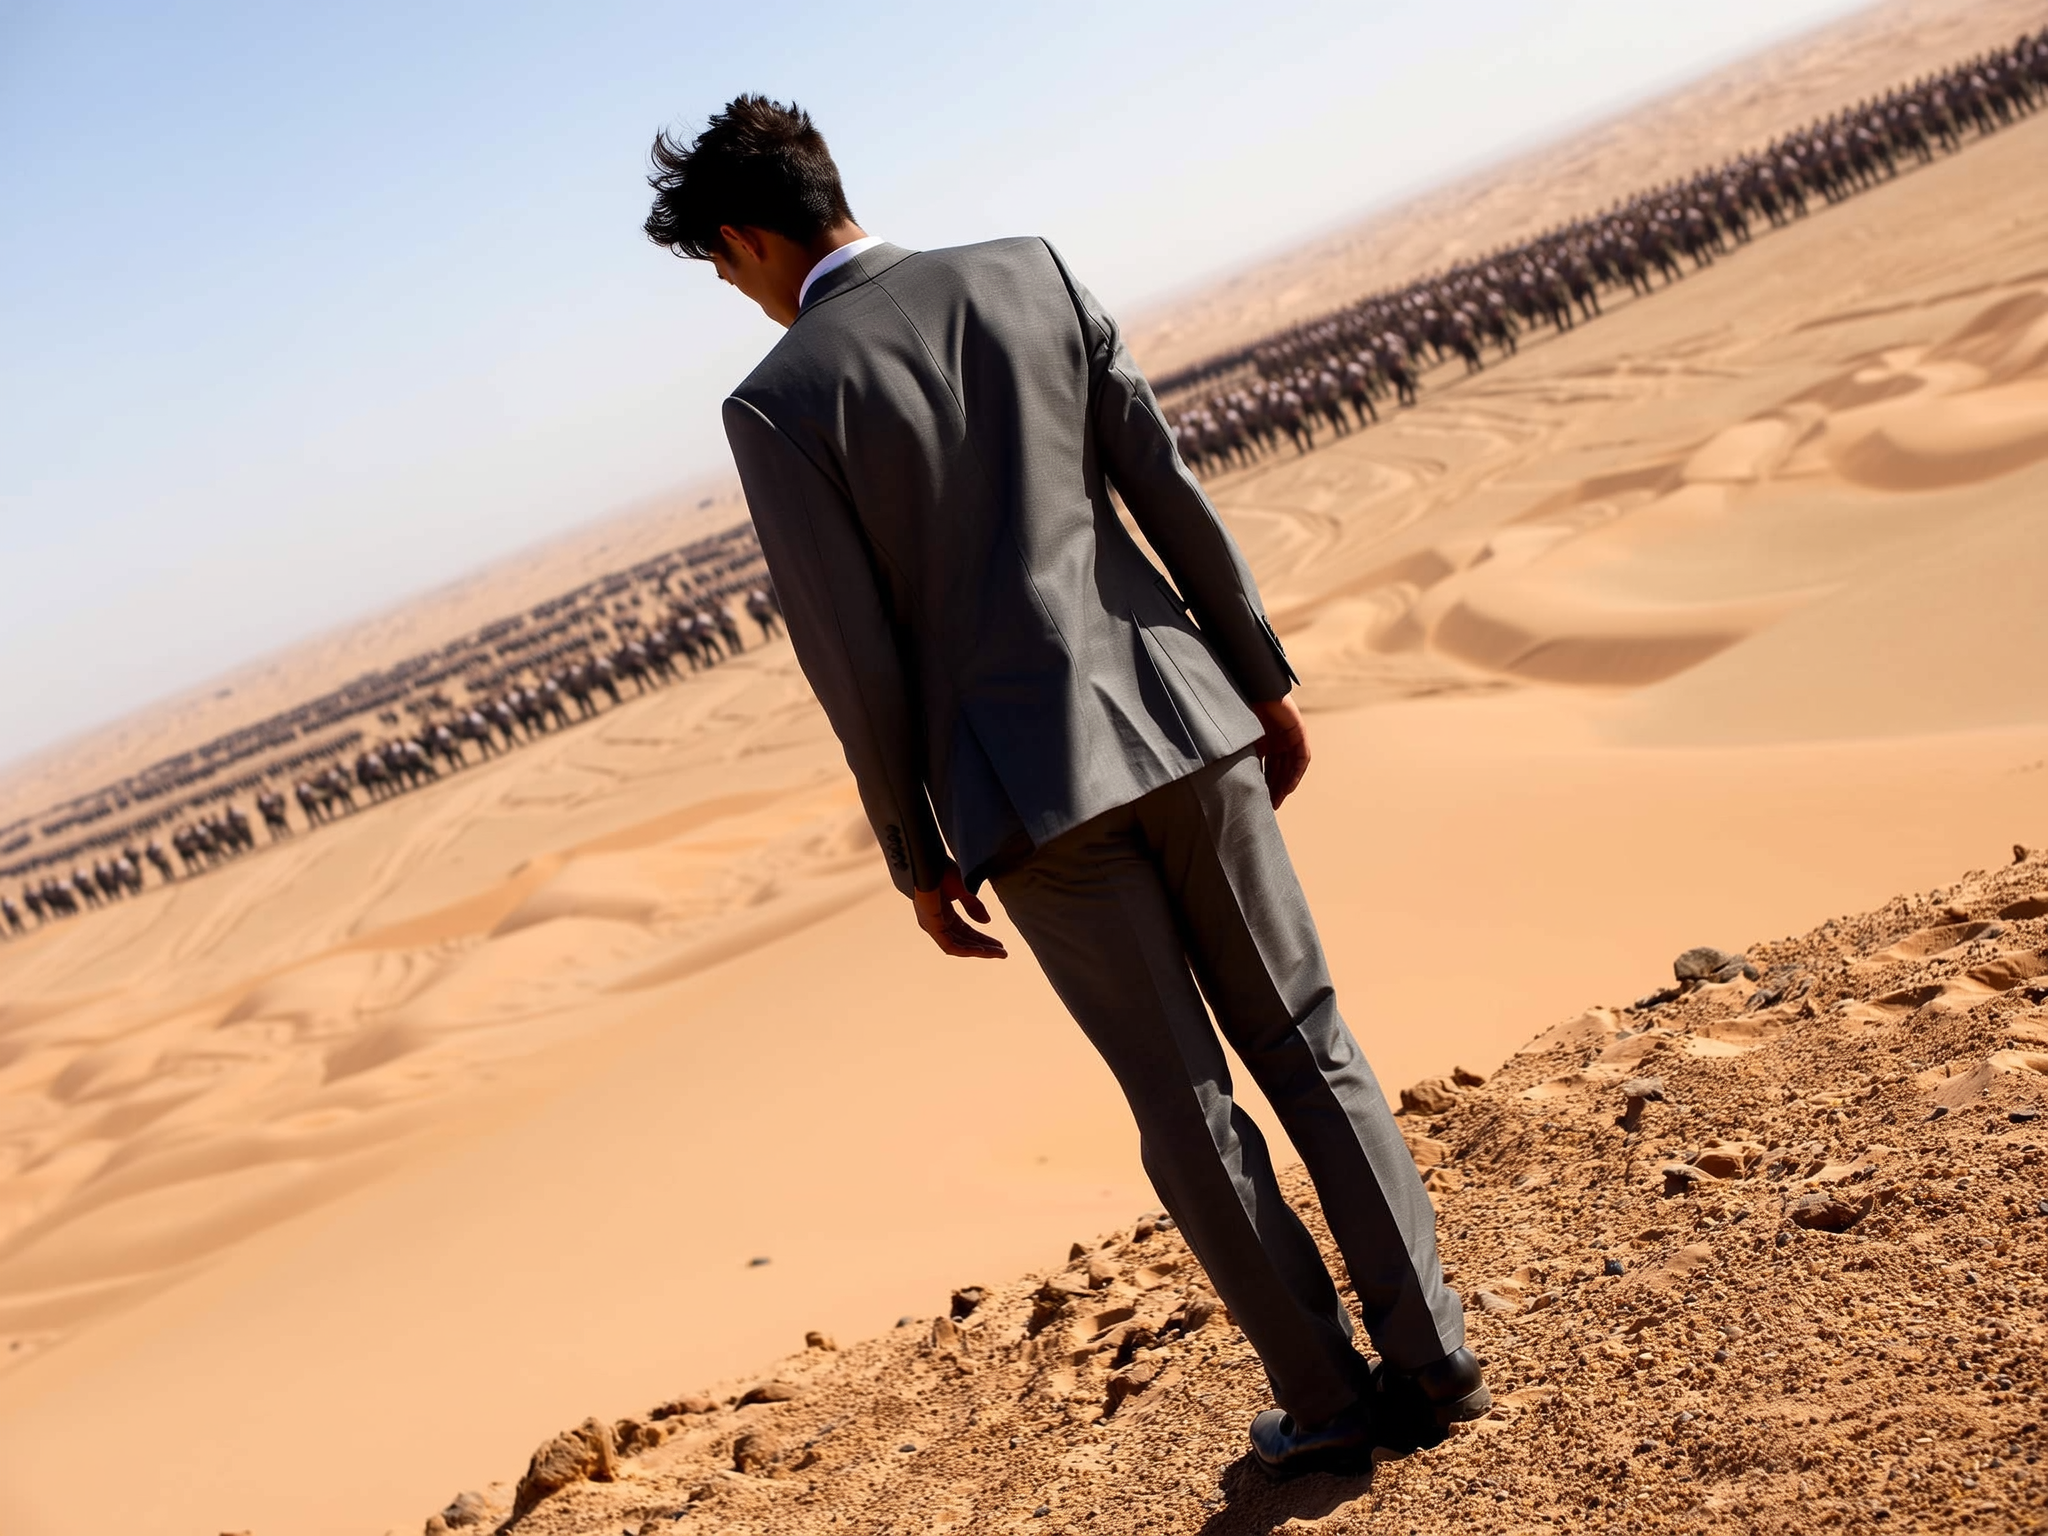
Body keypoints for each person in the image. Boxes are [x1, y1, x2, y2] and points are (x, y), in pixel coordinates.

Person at [643, 95, 1488, 1479]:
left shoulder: (780, 401)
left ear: (747, 236)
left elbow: (849, 657)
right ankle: (1433, 1356)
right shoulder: (1029, 269)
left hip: (1029, 801)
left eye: (728, 272)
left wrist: (913, 852)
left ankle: (1330, 1406)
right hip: (1185, 717)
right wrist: (1259, 678)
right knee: (1309, 1040)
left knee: (1187, 1106)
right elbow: (1164, 485)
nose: (742, 298)